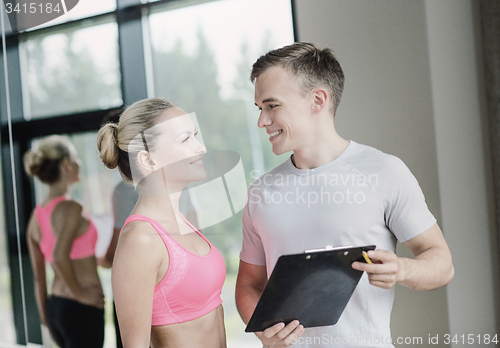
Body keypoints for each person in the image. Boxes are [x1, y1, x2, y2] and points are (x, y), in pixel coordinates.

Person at [235, 42, 455, 348]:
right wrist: (261, 329)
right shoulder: (260, 191)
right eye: (260, 109)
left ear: (318, 100)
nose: (262, 121)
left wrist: (402, 269)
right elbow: (248, 284)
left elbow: (442, 263)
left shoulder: (384, 171)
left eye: (272, 106)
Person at [96, 98, 227, 348]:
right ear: (148, 160)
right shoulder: (141, 239)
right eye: (185, 139)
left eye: (195, 136)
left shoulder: (182, 222)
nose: (200, 147)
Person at [24, 135, 105, 348]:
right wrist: (82, 294)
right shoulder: (71, 208)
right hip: (81, 308)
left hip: (56, 307)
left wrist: (46, 316)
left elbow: (38, 277)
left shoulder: (36, 216)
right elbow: (60, 257)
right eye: (76, 157)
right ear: (66, 164)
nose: (79, 163)